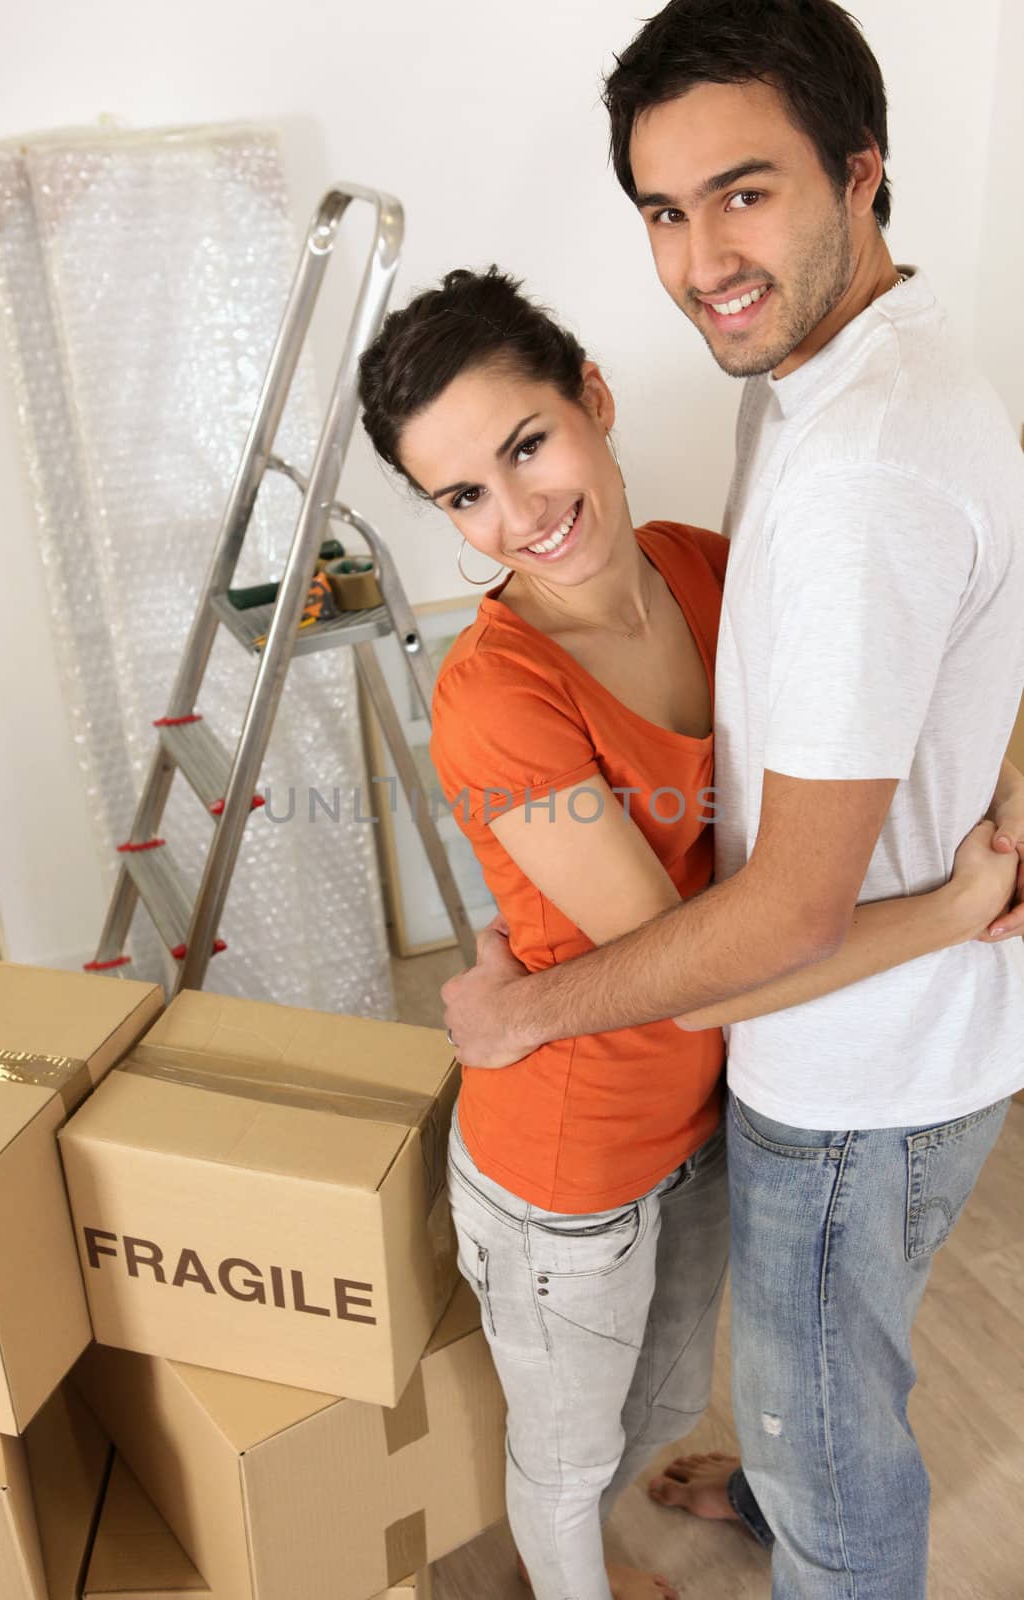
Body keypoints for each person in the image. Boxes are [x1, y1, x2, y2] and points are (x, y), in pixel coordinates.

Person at [356, 265, 1020, 1600]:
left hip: (708, 1128)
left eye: (528, 444)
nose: (519, 514)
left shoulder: (705, 568)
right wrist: (955, 908)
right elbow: (704, 981)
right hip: (571, 1162)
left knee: (660, 1405)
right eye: (464, 496)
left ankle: (638, 1523)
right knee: (565, 1448)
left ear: (592, 398)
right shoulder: (498, 699)